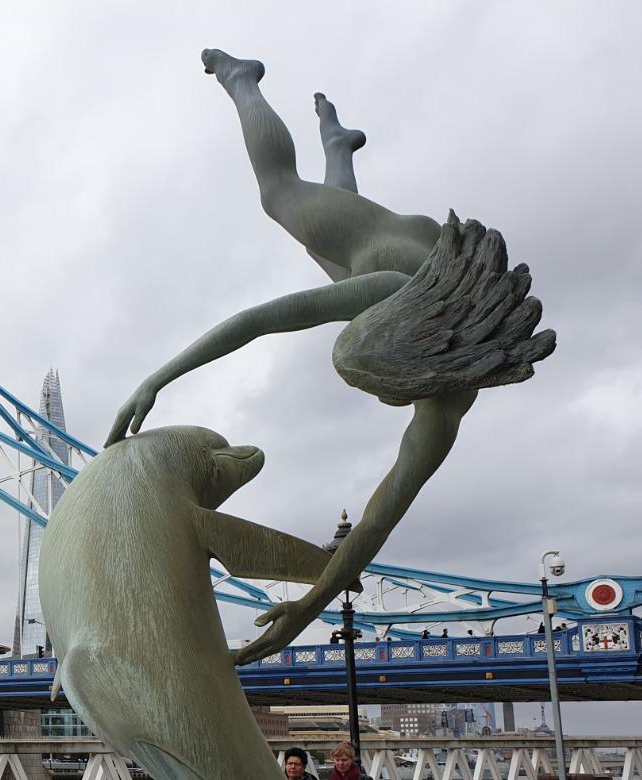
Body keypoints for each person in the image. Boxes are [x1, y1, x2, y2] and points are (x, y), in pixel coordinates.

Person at [106, 50, 552, 666]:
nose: (375, 401)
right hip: (405, 247)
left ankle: (338, 148)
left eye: (380, 393)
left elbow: (374, 521)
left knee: (329, 251)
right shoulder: (391, 286)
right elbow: (257, 321)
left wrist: (308, 607)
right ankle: (243, 79)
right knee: (282, 195)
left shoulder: (446, 404)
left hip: (414, 270)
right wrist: (157, 380)